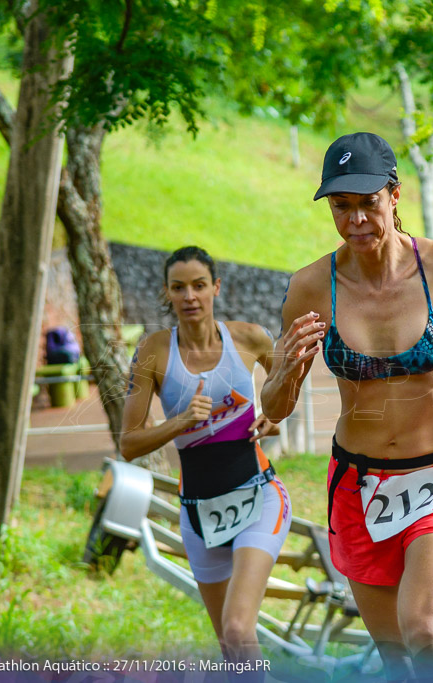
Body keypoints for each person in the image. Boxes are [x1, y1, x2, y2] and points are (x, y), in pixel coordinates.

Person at [261, 132, 433, 678]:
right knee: (398, 660)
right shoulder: (311, 287)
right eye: (342, 207)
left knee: (427, 630)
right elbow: (276, 406)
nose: (356, 220)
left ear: (395, 194)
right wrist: (286, 370)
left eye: (368, 204)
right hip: (358, 489)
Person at [120, 246, 291, 673]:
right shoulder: (154, 352)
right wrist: (178, 423)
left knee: (238, 630)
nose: (189, 296)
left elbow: (287, 391)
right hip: (198, 513)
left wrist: (273, 419)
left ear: (216, 287)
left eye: (199, 285)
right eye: (179, 288)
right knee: (229, 648)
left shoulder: (250, 337)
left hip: (259, 496)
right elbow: (128, 443)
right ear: (167, 293)